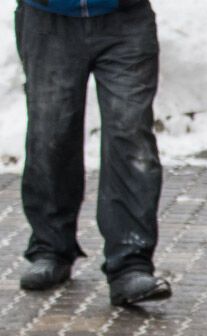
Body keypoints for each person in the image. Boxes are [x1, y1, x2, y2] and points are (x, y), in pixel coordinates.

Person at [15, 0, 171, 306]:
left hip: (126, 17)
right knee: (50, 133)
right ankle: (51, 247)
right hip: (48, 18)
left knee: (131, 137)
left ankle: (131, 262)